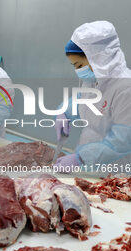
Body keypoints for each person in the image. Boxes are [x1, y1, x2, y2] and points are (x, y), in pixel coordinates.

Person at [54, 21, 131, 170]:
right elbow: (83, 103)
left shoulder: (125, 88)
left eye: (78, 65)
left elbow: (123, 140)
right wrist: (64, 111)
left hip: (116, 172)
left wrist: (81, 158)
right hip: (87, 167)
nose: (78, 71)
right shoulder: (93, 80)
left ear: (98, 60)